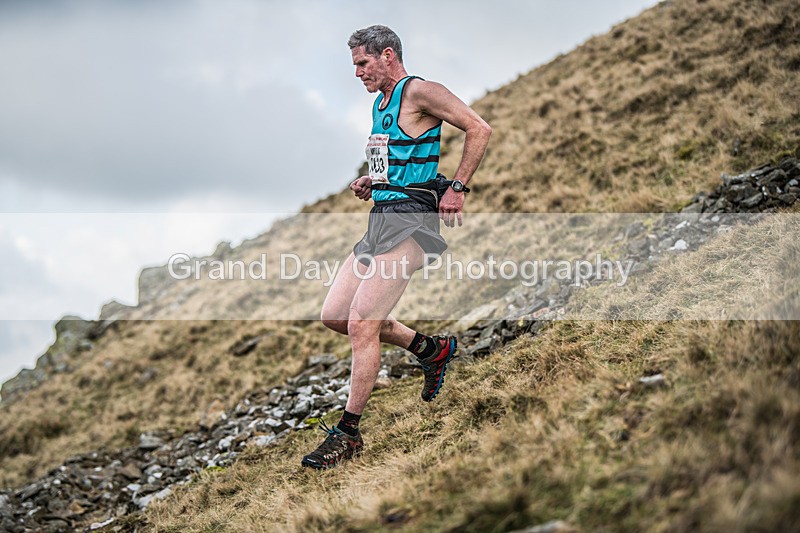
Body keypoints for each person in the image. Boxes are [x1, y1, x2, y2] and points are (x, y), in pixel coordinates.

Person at [301, 25, 491, 469]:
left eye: (362, 63)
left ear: (388, 55)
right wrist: (373, 180)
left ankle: (348, 434)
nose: (357, 73)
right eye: (354, 65)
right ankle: (431, 350)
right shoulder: (380, 104)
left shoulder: (420, 91)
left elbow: (479, 128)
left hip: (412, 221)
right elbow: (398, 160)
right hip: (382, 217)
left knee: (362, 324)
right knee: (336, 315)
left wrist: (457, 187)